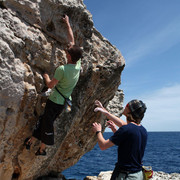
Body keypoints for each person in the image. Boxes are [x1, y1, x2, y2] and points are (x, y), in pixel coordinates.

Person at [24, 15, 83, 156]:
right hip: (63, 102)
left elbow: (50, 84)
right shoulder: (77, 65)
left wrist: (45, 76)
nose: (66, 49)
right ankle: (32, 140)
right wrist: (68, 24)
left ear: (69, 56)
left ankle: (42, 149)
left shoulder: (62, 69)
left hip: (55, 100)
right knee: (45, 120)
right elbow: (71, 40)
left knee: (47, 124)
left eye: (68, 50)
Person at [92, 99, 147, 180]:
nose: (125, 106)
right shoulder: (142, 130)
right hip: (138, 175)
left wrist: (98, 131)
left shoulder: (126, 129)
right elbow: (127, 141)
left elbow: (103, 145)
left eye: (127, 105)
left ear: (130, 111)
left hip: (125, 176)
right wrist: (104, 111)